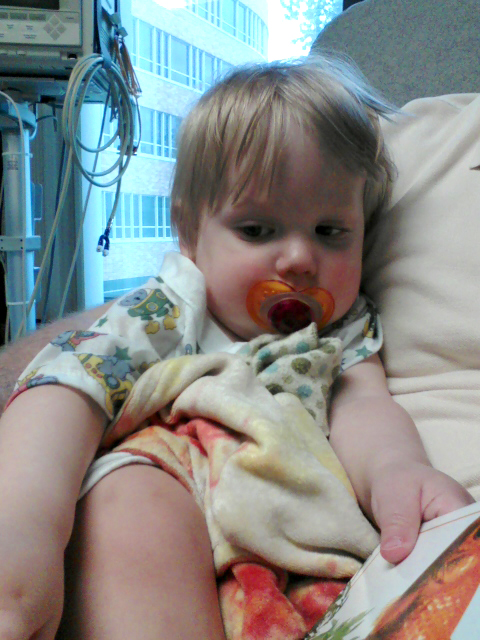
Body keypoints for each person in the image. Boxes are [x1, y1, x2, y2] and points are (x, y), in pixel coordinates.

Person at [0, 56, 473, 640]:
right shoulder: (171, 307)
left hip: (297, 560)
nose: (299, 259)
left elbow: (363, 406)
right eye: (257, 230)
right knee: (125, 502)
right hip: (175, 506)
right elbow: (65, 386)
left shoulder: (343, 329)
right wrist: (25, 527)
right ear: (190, 234)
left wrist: (396, 470)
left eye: (330, 232)